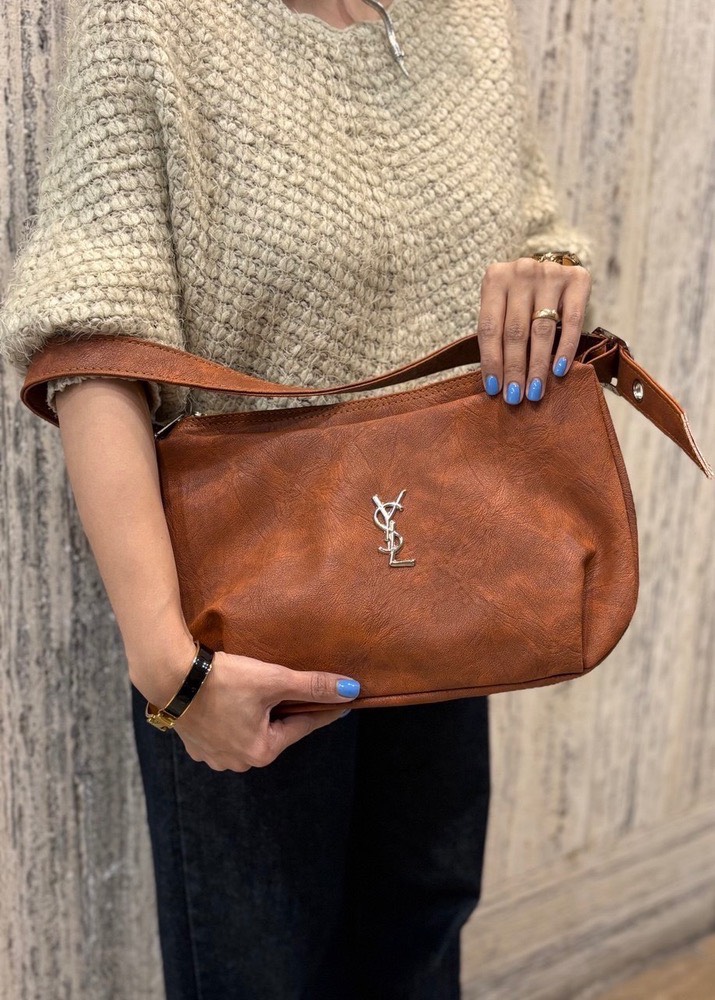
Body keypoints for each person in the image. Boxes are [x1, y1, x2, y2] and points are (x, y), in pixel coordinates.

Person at [0, 0, 594, 996]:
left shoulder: (467, 20)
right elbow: (91, 342)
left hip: (453, 585)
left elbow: (535, 235)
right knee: (257, 971)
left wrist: (551, 280)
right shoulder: (152, 26)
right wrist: (167, 665)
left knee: (422, 934)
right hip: (248, 628)